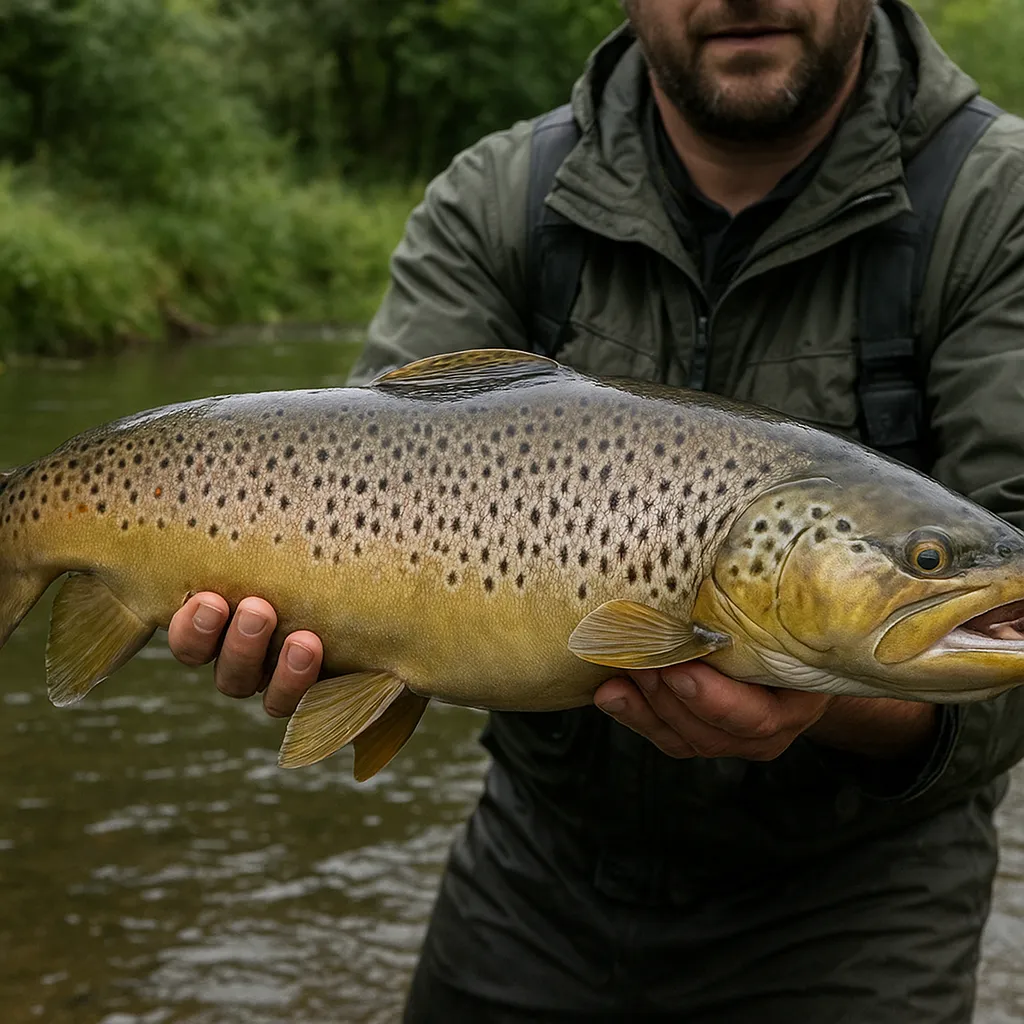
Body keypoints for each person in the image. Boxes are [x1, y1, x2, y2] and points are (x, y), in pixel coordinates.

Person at [166, 1, 1024, 1020]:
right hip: (542, 866)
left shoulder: (997, 203)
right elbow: (364, 473)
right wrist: (323, 638)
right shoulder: (500, 195)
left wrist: (826, 702)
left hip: (861, 899)